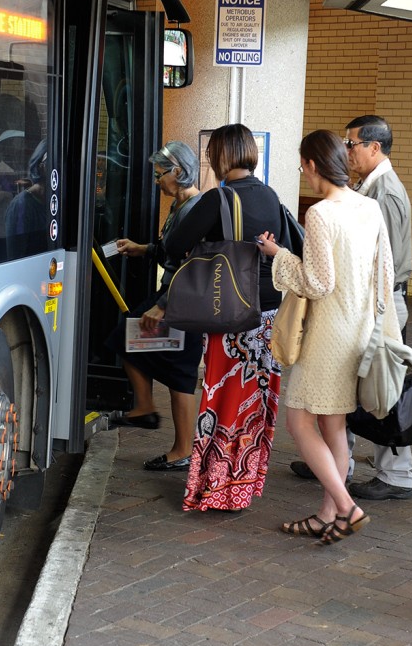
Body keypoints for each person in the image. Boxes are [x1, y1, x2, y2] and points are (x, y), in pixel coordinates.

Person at [259, 130, 398, 543]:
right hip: (358, 330)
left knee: (300, 422)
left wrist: (279, 256)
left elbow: (318, 283)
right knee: (333, 426)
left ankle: (346, 506)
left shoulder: (320, 214)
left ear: (312, 165)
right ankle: (327, 514)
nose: (302, 170)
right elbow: (384, 274)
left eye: (303, 163)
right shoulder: (369, 207)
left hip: (325, 335)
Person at [289, 115, 412, 498]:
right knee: (339, 415)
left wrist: (283, 258)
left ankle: (390, 477)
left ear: (374, 147)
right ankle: (335, 496)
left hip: (357, 312)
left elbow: (374, 268)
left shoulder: (378, 195)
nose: (348, 150)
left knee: (383, 392)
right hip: (362, 312)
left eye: (353, 143)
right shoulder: (365, 196)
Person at [164, 124, 283, 511]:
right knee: (254, 402)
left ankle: (215, 486)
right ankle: (244, 483)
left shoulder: (219, 198)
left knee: (223, 397)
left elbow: (175, 244)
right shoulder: (270, 194)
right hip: (269, 313)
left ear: (221, 155)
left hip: (231, 310)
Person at [105, 141, 203, 470]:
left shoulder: (196, 210)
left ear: (179, 172)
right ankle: (147, 412)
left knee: (180, 374)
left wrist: (162, 306)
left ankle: (181, 449)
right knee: (129, 341)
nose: (157, 180)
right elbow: (169, 252)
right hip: (173, 299)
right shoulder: (180, 206)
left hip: (181, 304)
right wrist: (142, 249)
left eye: (160, 173)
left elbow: (192, 268)